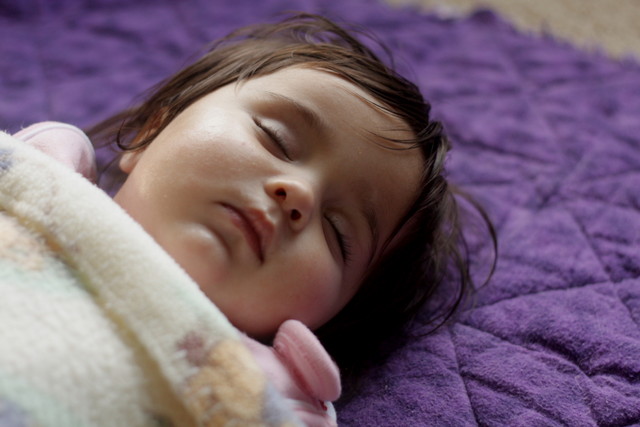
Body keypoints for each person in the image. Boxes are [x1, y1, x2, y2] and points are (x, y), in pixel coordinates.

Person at [67, 13, 495, 394]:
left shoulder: (265, 400)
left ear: (327, 321)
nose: (300, 193)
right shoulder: (38, 175)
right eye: (276, 138)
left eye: (337, 232)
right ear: (149, 132)